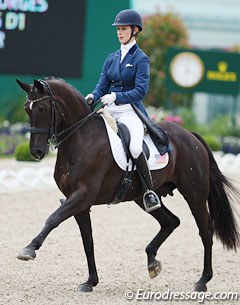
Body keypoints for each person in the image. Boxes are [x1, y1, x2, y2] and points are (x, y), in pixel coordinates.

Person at [85, 9, 161, 212]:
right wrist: (93, 96)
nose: (120, 32)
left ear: (135, 30)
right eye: (118, 29)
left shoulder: (141, 59)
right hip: (109, 109)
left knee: (135, 148)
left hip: (130, 110)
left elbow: (139, 92)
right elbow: (102, 86)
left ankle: (149, 191)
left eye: (124, 29)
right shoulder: (111, 57)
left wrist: (116, 96)